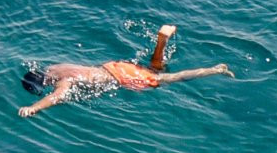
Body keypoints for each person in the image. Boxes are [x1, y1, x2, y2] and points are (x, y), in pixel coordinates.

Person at [19, 25, 233, 117]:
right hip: (113, 66)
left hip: (120, 77)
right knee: (155, 69)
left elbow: (57, 97)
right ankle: (160, 43)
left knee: (169, 78)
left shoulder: (62, 82)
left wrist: (33, 108)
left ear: (43, 84)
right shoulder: (55, 68)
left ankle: (216, 69)